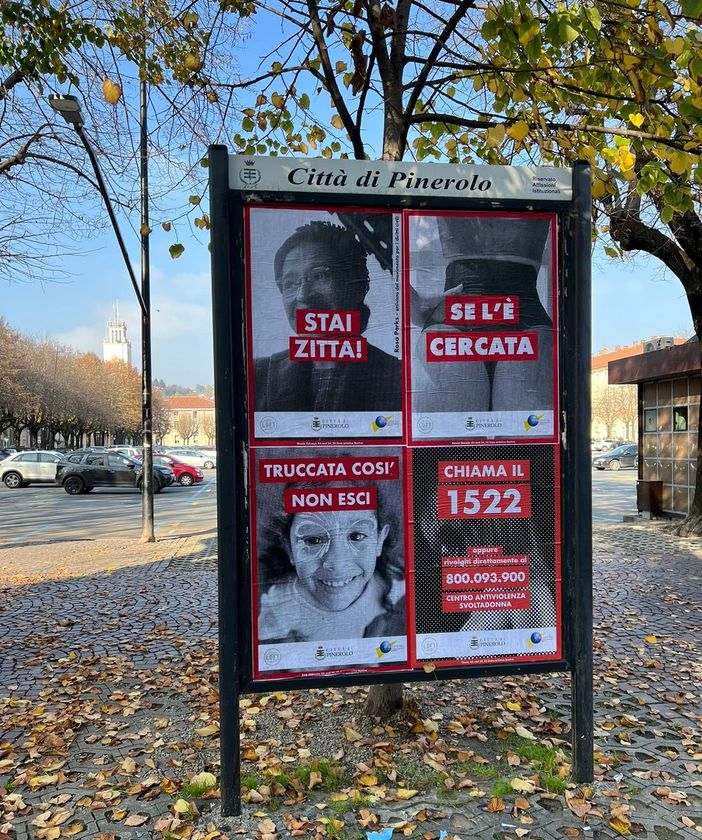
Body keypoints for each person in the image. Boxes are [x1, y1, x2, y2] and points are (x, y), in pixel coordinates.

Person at [409, 215, 554, 414]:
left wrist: (412, 303)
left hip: (459, 319)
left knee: (448, 439)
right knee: (524, 439)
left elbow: (372, 221)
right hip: (522, 316)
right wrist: (412, 302)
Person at [253, 220, 402, 412]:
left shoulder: (397, 376)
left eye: (319, 276)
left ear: (356, 286)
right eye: (290, 283)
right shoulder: (257, 375)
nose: (303, 295)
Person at [257, 481, 406, 644]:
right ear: (289, 549)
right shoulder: (281, 603)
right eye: (313, 540)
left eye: (356, 536)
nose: (337, 563)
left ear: (379, 541)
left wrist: (369, 650)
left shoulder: (389, 581)